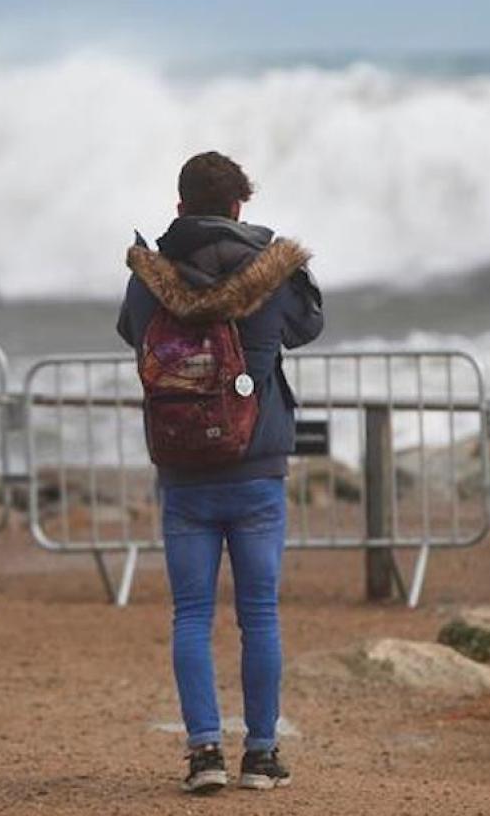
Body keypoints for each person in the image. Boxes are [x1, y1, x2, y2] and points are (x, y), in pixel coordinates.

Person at [115, 150, 324, 794]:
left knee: (190, 616)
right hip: (256, 466)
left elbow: (132, 333)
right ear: (239, 207)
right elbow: (309, 326)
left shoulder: (150, 276)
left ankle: (204, 752)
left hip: (184, 470)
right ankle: (261, 755)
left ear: (180, 208)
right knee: (259, 614)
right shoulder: (271, 272)